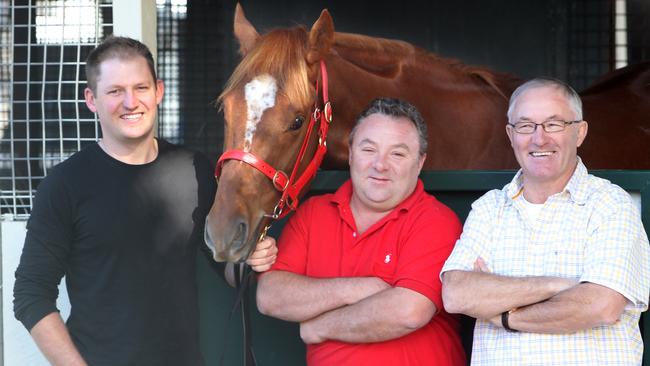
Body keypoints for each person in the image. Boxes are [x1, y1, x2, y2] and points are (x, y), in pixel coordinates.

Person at [13, 36, 277, 366]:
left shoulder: (194, 169)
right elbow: (30, 294)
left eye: (141, 87)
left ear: (159, 91)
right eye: (114, 91)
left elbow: (223, 265)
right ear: (91, 100)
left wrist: (250, 258)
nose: (130, 102)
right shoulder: (65, 184)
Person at [441, 78, 650, 365]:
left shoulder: (610, 204)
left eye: (554, 124)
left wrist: (504, 316)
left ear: (579, 132)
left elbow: (601, 305)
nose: (539, 138)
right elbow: (456, 294)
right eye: (526, 125)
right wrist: (556, 285)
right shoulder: (490, 208)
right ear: (510, 134)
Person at [256, 98, 466, 365]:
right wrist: (358, 289)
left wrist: (319, 327)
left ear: (420, 162)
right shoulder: (313, 214)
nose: (380, 165)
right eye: (369, 149)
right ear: (351, 152)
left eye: (398, 154)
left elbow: (408, 312)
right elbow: (270, 296)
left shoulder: (435, 220)